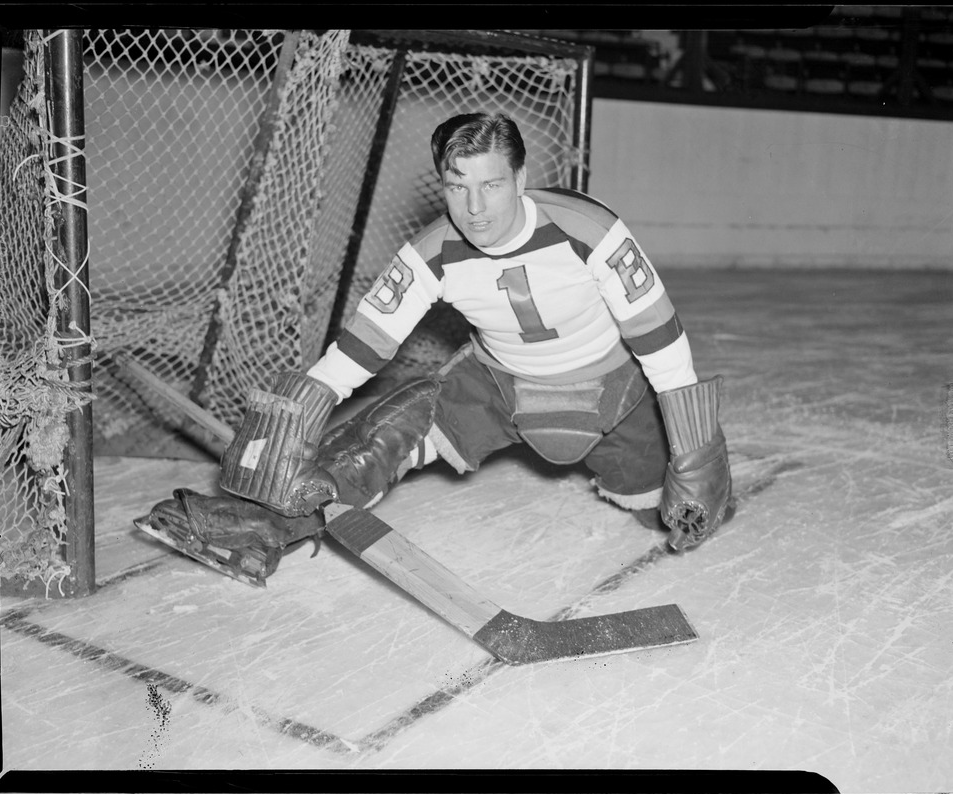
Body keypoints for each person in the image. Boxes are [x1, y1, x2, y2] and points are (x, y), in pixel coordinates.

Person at [217, 111, 734, 569]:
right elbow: (362, 344)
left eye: (491, 185)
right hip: (498, 386)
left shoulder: (588, 226)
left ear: (521, 179)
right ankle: (272, 522)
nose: (475, 208)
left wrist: (694, 451)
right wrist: (296, 415)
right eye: (456, 186)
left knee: (672, 516)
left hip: (617, 392)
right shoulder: (430, 251)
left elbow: (657, 336)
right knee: (383, 437)